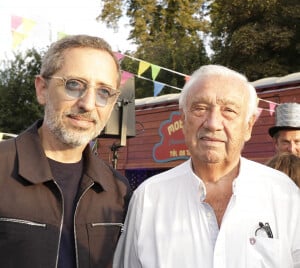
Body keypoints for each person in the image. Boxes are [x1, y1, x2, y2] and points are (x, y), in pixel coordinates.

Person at [113, 65, 300, 268]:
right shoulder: (148, 199)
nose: (212, 123)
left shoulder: (284, 194)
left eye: (229, 110)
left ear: (249, 126)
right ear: (183, 120)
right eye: (200, 108)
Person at [0, 35, 131, 268]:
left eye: (103, 92)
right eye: (74, 85)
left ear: (113, 104)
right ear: (42, 89)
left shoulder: (118, 191)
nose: (88, 104)